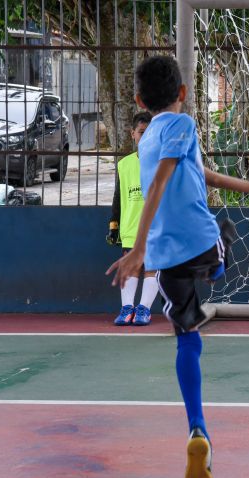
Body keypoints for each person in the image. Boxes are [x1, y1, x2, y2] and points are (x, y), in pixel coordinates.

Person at [106, 55, 249, 478]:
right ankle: (217, 267)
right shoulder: (182, 125)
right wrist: (135, 247)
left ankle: (198, 429)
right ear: (182, 93)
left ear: (139, 100)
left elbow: (200, 172)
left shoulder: (147, 138)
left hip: (166, 255)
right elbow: (161, 181)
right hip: (197, 241)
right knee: (224, 233)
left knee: (186, 333)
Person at [107, 111, 157, 326]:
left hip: (156, 228)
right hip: (130, 227)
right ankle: (127, 308)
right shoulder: (124, 164)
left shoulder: (163, 163)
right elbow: (118, 197)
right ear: (133, 134)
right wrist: (114, 225)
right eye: (141, 132)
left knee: (152, 267)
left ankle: (144, 308)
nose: (145, 137)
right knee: (131, 267)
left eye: (149, 133)